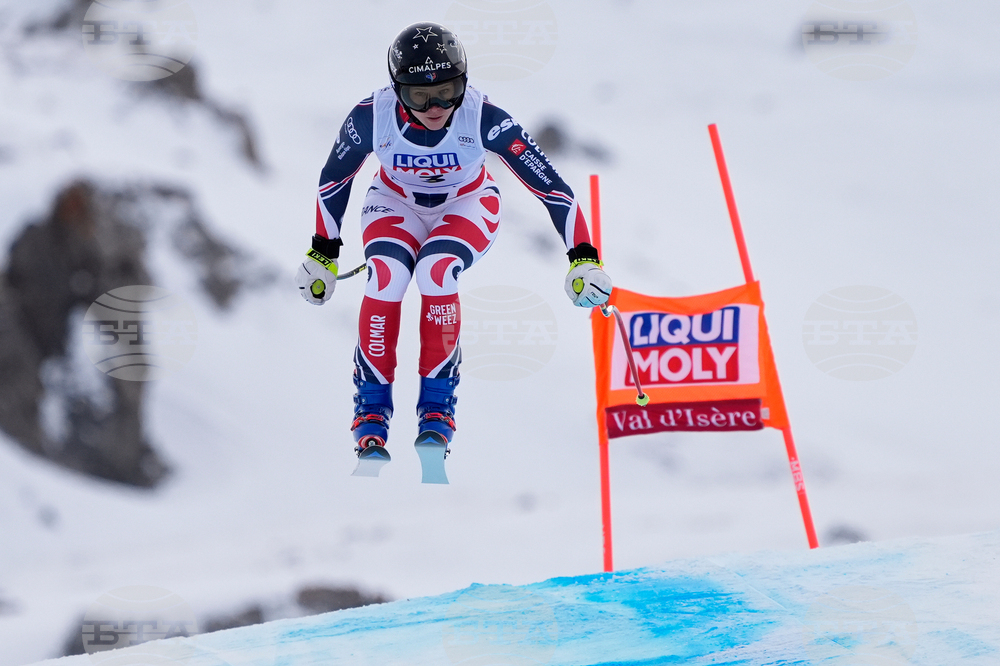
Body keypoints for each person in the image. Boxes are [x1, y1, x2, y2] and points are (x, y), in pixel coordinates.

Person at [296, 21, 612, 460]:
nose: (437, 106)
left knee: (435, 270)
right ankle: (370, 409)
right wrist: (322, 254)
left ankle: (437, 408)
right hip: (394, 201)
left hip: (466, 202)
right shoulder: (371, 115)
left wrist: (584, 258)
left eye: (449, 90)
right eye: (419, 96)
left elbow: (551, 186)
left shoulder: (482, 115)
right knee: (385, 278)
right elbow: (335, 179)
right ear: (396, 89)